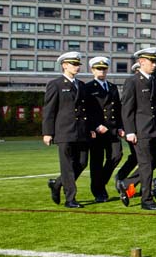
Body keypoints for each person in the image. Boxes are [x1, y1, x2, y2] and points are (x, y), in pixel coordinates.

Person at [42, 51, 91, 208]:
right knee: (67, 166)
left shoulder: (81, 85)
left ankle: (57, 184)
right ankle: (70, 198)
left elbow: (85, 110)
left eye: (78, 64)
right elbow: (49, 110)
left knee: (82, 162)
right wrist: (47, 132)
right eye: (74, 64)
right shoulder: (55, 84)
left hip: (81, 131)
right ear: (64, 65)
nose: (77, 67)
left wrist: (89, 128)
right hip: (64, 131)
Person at [120, 47, 156, 210]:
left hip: (155, 130)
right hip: (140, 130)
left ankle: (127, 184)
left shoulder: (154, 80)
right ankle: (146, 200)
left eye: (155, 61)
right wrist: (130, 131)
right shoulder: (132, 81)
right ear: (141, 62)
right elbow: (127, 108)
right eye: (151, 61)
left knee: (153, 162)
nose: (154, 65)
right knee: (146, 164)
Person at [83, 56, 123, 203]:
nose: (102, 71)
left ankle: (100, 183)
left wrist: (120, 126)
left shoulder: (112, 87)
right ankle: (98, 190)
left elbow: (118, 109)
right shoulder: (87, 88)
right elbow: (86, 110)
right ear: (92, 70)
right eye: (99, 68)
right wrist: (95, 125)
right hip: (98, 131)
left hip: (112, 130)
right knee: (97, 162)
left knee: (116, 155)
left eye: (104, 68)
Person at [115, 62, 142, 191]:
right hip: (133, 128)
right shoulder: (132, 84)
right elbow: (126, 109)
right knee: (142, 159)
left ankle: (124, 181)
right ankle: (124, 181)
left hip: (146, 129)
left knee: (141, 158)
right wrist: (127, 129)